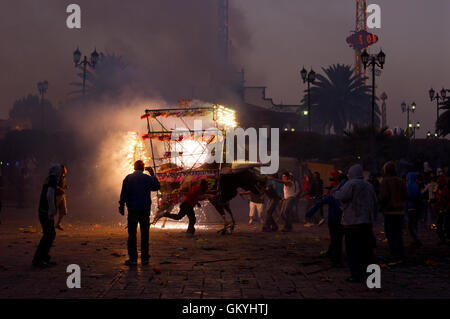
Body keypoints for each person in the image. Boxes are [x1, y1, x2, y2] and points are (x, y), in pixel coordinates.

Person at [334, 164, 378, 283]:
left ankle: (356, 275)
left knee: (353, 251)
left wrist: (335, 192)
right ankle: (372, 277)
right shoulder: (369, 185)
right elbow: (375, 202)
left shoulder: (351, 184)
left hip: (352, 223)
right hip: (366, 223)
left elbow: (342, 196)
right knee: (367, 251)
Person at [119, 160, 160, 266]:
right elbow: (156, 187)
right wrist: (152, 174)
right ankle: (145, 258)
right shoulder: (147, 178)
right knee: (144, 234)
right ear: (142, 168)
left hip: (132, 210)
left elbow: (123, 194)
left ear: (134, 167)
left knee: (132, 234)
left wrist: (121, 206)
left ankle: (133, 258)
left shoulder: (127, 178)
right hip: (144, 210)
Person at [305, 173, 348, 267]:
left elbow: (320, 203)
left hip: (335, 220)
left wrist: (310, 212)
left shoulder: (336, 192)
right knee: (338, 239)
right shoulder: (348, 190)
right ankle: (334, 256)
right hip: (342, 220)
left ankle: (336, 260)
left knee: (336, 239)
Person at [32, 164, 63, 268]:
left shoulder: (48, 178)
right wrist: (52, 209)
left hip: (43, 210)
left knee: (50, 234)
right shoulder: (53, 179)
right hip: (45, 211)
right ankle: (38, 260)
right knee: (48, 234)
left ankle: (44, 258)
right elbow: (49, 194)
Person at [380, 161, 408, 263]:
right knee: (398, 234)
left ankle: (394, 255)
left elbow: (384, 196)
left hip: (389, 212)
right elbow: (405, 195)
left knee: (391, 235)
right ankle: (400, 254)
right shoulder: (400, 181)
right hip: (400, 212)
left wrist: (382, 206)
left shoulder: (385, 181)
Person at [405, 172, 424, 248]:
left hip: (410, 207)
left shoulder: (408, 186)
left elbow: (406, 196)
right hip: (417, 207)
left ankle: (416, 240)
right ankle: (416, 239)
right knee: (415, 224)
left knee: (411, 225)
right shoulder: (416, 185)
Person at [435, 176, 450, 245]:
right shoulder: (437, 189)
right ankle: (442, 238)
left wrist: (446, 208)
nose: (438, 183)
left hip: (446, 209)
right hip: (439, 209)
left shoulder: (446, 189)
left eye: (439, 182)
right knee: (439, 225)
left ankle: (447, 238)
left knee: (446, 225)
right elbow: (436, 198)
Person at [55, 165, 68, 230]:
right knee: (53, 211)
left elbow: (62, 184)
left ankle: (57, 224)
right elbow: (55, 185)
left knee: (63, 211)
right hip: (57, 196)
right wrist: (60, 189)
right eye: (64, 168)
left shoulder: (64, 177)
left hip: (62, 195)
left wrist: (65, 186)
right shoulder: (58, 177)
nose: (66, 169)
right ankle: (49, 224)